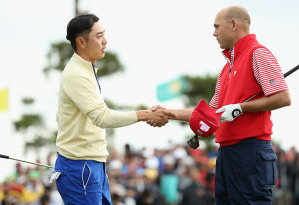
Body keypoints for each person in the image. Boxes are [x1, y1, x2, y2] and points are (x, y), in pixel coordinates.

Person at [149, 5, 291, 204]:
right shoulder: (226, 68)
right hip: (227, 153)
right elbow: (209, 114)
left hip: (251, 151)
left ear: (233, 24)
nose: (214, 33)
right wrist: (168, 113)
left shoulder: (258, 53)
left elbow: (283, 97)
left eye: (217, 27)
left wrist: (241, 108)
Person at [52, 14, 175, 205]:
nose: (105, 41)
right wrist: (145, 115)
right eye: (99, 36)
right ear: (81, 42)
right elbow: (102, 117)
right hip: (80, 166)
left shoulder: (86, 69)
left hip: (90, 164)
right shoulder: (77, 74)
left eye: (104, 35)